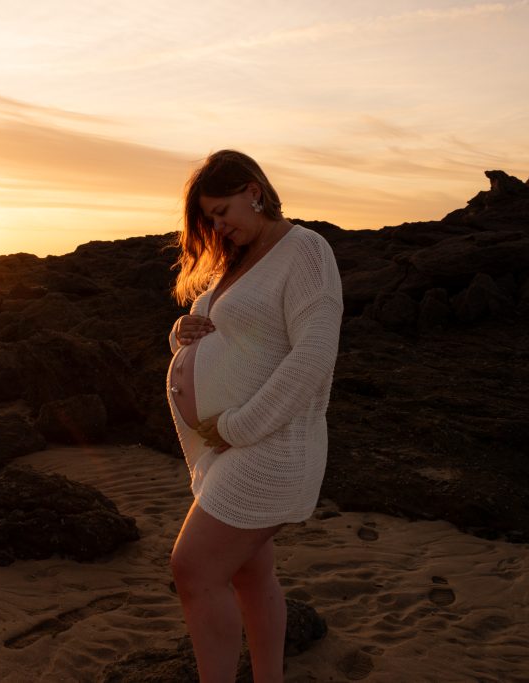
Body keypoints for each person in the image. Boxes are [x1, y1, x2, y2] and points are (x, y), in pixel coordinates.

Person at [166, 150, 343, 682]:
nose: (218, 225)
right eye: (210, 219)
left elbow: (313, 356)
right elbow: (228, 333)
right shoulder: (235, 261)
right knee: (249, 574)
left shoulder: (306, 251)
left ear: (254, 191)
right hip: (223, 448)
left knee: (193, 569)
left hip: (269, 446)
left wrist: (239, 426)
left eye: (222, 211)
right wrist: (181, 334)